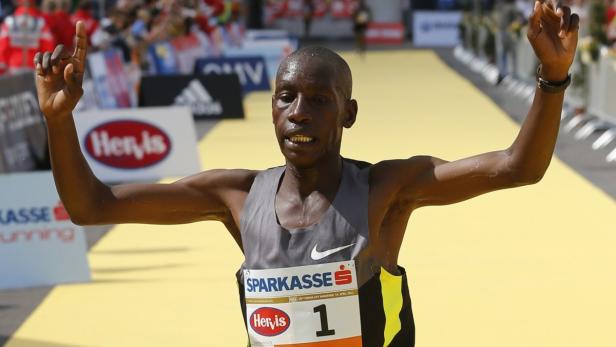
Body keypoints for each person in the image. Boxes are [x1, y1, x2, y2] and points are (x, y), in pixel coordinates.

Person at [34, 1, 579, 345]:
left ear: (348, 114)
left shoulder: (387, 188)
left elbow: (516, 168)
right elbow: (93, 208)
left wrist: (552, 79)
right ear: (271, 108)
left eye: (319, 100)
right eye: (286, 97)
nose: (299, 113)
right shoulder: (236, 194)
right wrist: (58, 123)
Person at [0, 0, 55, 75]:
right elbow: (48, 50)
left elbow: (2, 50)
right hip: (34, 71)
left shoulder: (9, 22)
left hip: (12, 71)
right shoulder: (41, 23)